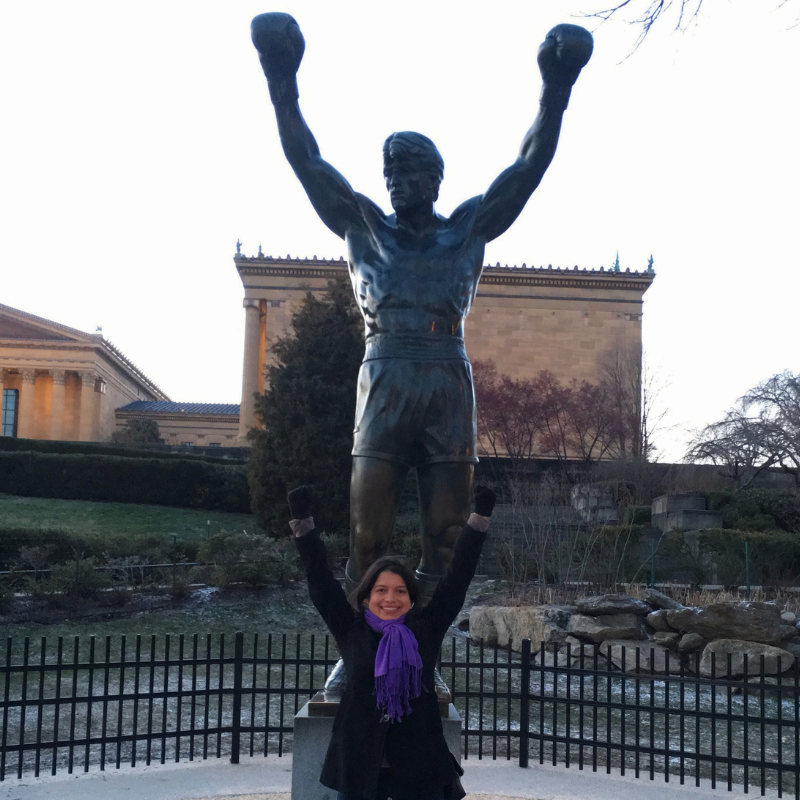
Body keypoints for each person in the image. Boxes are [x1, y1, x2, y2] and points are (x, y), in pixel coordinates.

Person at [251, 14, 593, 598]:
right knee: (367, 534)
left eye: (407, 171)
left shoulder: (467, 229)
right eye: (389, 172)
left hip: (445, 380)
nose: (394, 181)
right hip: (383, 378)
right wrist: (280, 76)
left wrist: (555, 90)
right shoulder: (363, 227)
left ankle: (425, 649)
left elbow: (528, 168)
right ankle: (364, 653)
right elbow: (306, 161)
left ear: (435, 179)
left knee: (449, 534)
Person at [288, 483, 497, 800]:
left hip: (419, 767)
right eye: (381, 590)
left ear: (411, 598)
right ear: (367, 596)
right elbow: (319, 579)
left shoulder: (425, 628)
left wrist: (479, 517)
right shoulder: (351, 629)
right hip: (359, 765)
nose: (390, 598)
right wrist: (303, 522)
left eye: (400, 591)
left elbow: (458, 576)